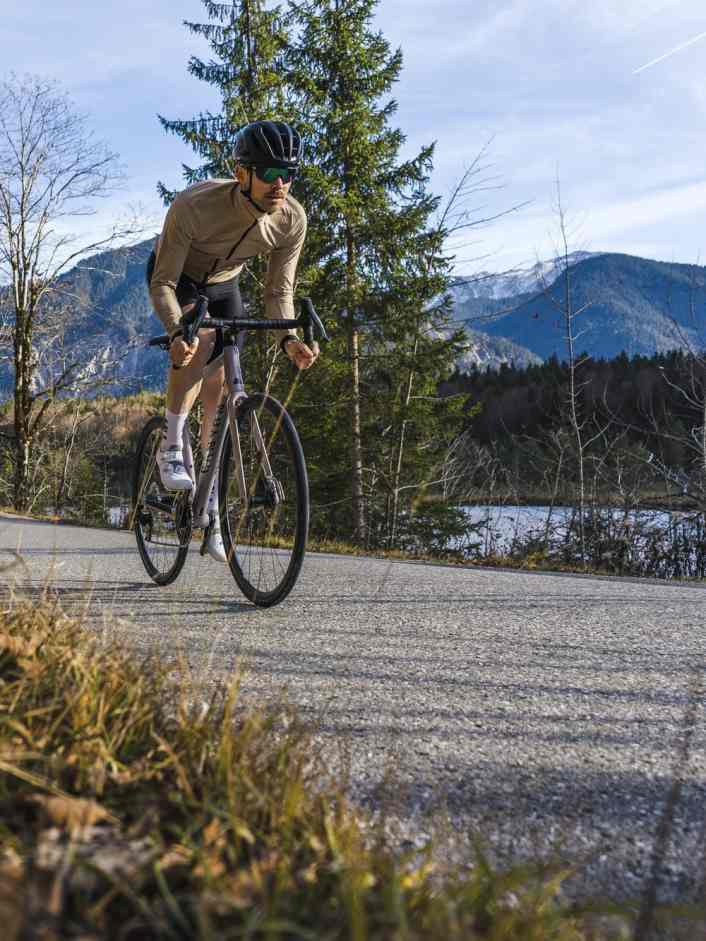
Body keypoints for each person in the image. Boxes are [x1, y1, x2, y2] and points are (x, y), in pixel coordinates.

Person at [147, 120, 318, 562]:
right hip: (179, 279)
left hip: (225, 286)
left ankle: (211, 505)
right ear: (242, 172)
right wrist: (175, 331)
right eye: (268, 172)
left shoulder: (290, 220)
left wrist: (290, 340)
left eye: (289, 172)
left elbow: (279, 293)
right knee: (198, 343)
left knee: (220, 391)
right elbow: (163, 281)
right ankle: (170, 444)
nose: (280, 183)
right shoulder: (194, 205)